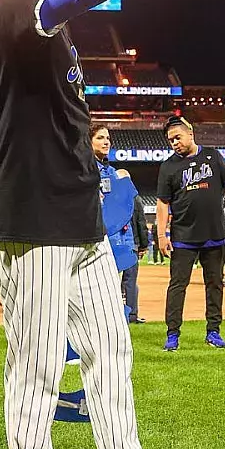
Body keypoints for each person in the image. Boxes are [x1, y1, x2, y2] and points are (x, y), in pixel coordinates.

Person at [0, 0, 225, 449]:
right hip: (29, 221)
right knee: (39, 365)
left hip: (81, 222)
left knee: (111, 354)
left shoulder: (60, 31)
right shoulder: (16, 7)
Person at [157, 115, 225, 351]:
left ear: (190, 134)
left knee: (214, 284)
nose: (174, 142)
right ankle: (172, 334)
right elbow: (163, 203)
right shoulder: (168, 166)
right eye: (170, 140)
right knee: (177, 286)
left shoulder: (213, 156)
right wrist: (162, 235)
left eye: (177, 137)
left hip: (214, 233)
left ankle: (213, 332)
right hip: (183, 235)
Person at [90, 129, 148, 321]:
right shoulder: (84, 171)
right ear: (88, 142)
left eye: (107, 138)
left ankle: (117, 321)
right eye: (100, 138)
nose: (106, 142)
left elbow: (126, 211)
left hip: (117, 240)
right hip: (93, 238)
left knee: (113, 287)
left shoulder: (114, 173)